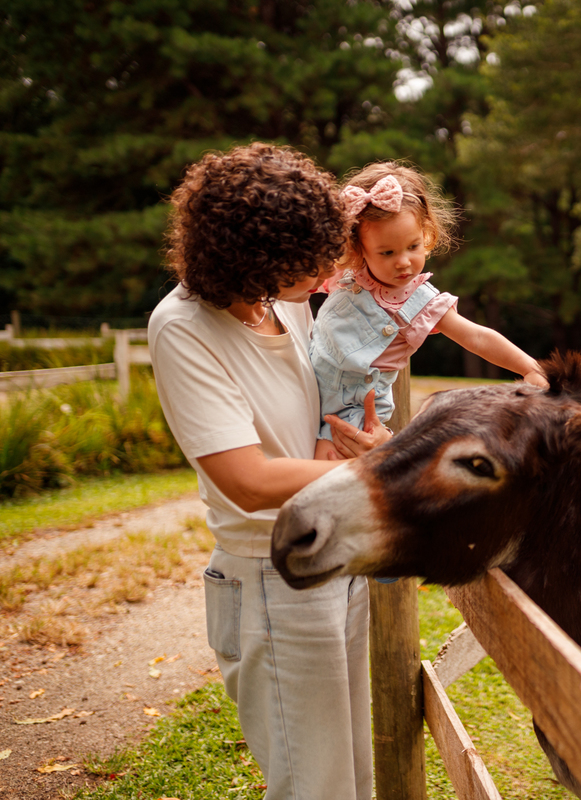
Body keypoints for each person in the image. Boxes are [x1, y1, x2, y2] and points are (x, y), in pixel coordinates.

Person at [148, 143, 388, 800]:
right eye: (306, 260)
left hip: (335, 553)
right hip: (270, 574)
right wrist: (381, 473)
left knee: (356, 775)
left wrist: (362, 440)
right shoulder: (182, 328)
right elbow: (248, 480)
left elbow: (317, 428)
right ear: (253, 257)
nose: (324, 271)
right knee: (316, 786)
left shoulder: (288, 304)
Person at [310, 161, 548, 460]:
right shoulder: (344, 273)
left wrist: (530, 368)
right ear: (358, 248)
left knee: (322, 477)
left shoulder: (419, 301)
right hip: (307, 387)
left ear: (427, 234)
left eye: (413, 246)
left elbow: (476, 337)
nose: (403, 262)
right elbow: (292, 284)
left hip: (353, 412)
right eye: (387, 252)